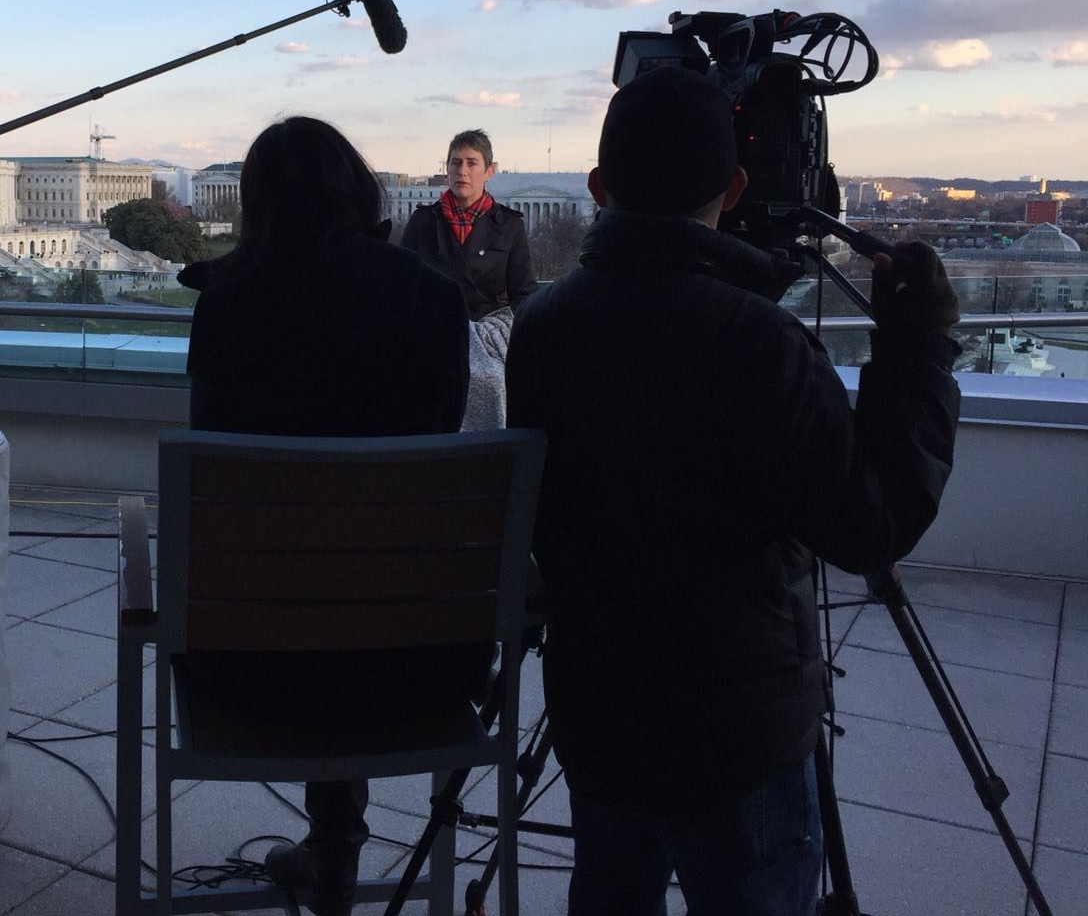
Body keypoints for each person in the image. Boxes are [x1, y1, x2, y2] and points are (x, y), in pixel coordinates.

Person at [504, 67, 960, 916]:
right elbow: (872, 528)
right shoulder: (764, 342)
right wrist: (920, 352)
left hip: (598, 718)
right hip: (738, 735)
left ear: (599, 187)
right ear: (737, 187)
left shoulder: (541, 327)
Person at [178, 116, 481, 916]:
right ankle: (335, 851)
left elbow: (216, 471)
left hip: (247, 668)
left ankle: (333, 849)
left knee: (307, 574)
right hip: (418, 664)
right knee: (361, 567)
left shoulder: (225, 304)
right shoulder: (433, 300)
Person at [400, 128, 536, 321]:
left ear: (489, 171)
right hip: (433, 335)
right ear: (447, 169)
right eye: (456, 163)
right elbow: (402, 285)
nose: (462, 171)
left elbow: (524, 296)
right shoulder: (423, 222)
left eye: (471, 163)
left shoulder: (510, 226)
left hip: (488, 340)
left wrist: (495, 330)